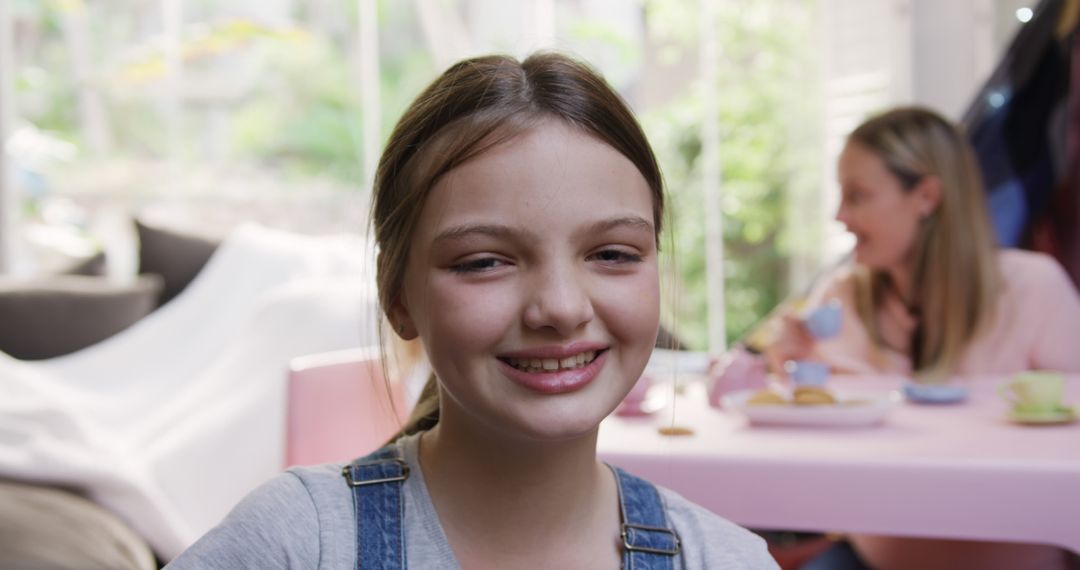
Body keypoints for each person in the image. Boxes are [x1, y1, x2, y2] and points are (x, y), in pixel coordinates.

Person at [165, 52, 778, 569]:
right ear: (398, 296)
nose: (560, 308)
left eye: (613, 253)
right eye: (485, 261)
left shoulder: (727, 559)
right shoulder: (299, 541)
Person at [766, 106, 1080, 570]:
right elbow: (802, 436)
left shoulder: (1033, 288)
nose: (840, 216)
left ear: (927, 196)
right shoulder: (842, 296)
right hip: (875, 558)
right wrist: (787, 366)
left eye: (858, 195)